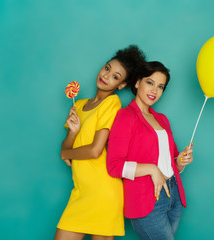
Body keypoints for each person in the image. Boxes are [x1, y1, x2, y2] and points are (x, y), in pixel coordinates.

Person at [55, 45, 146, 240]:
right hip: (81, 192)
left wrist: (65, 154)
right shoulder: (78, 105)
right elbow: (66, 146)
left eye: (115, 76)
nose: (106, 76)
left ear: (121, 85)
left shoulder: (111, 104)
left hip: (103, 192)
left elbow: (95, 150)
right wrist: (73, 132)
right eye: (107, 68)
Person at [106, 61, 194, 240]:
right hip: (147, 201)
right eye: (150, 82)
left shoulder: (162, 119)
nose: (154, 90)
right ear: (137, 82)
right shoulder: (125, 116)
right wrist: (151, 169)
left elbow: (173, 160)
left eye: (160, 86)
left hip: (173, 195)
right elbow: (114, 166)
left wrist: (181, 161)